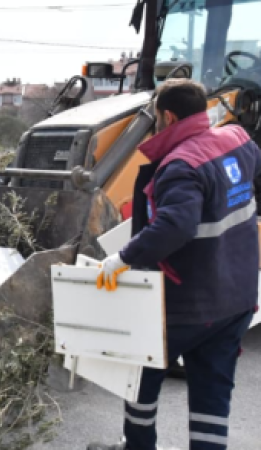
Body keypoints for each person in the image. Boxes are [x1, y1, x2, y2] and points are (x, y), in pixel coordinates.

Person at [89, 79, 261, 450]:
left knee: (142, 373)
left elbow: (177, 225)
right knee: (213, 388)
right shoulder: (237, 141)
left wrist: (124, 258)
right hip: (237, 298)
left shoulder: (180, 166)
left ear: (168, 116)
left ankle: (138, 446)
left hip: (189, 301)